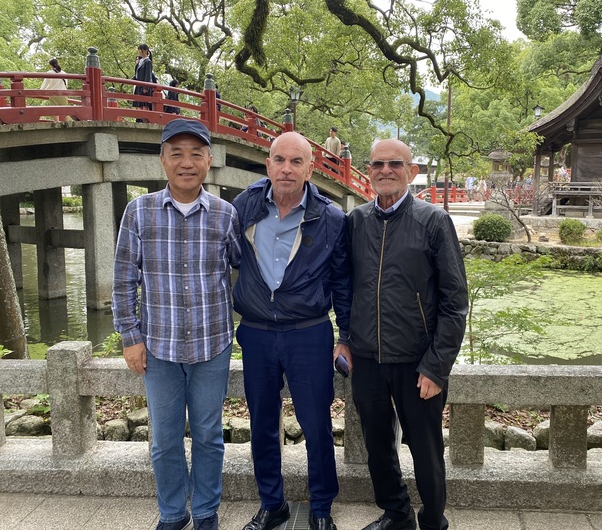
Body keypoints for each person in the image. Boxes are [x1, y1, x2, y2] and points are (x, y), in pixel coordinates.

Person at [112, 119, 241, 530]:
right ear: (163, 160)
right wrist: (130, 337)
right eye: (177, 154)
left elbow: (241, 270)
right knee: (165, 438)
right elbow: (123, 280)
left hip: (212, 343)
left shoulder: (225, 214)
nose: (187, 163)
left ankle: (205, 511)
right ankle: (172, 512)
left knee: (208, 435)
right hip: (159, 346)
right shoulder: (139, 211)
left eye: (196, 154)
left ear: (209, 160)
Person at [346, 138, 468, 530]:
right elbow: (346, 288)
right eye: (377, 164)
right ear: (368, 170)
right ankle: (397, 514)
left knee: (426, 449)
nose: (385, 170)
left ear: (411, 172)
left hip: (418, 361)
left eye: (395, 164)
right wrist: (345, 337)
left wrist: (436, 366)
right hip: (367, 358)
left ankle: (433, 520)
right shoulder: (356, 221)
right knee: (378, 446)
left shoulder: (433, 221)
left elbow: (455, 301)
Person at [231, 131, 351, 530]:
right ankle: (272, 503)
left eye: (296, 161)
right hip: (257, 332)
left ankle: (321, 508)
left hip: (308, 331)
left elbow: (342, 283)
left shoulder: (331, 218)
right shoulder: (244, 206)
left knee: (316, 424)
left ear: (310, 169)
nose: (286, 169)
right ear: (268, 165)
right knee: (262, 423)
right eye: (279, 160)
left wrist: (345, 337)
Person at [133, 44, 155, 114]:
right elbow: (136, 74)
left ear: (145, 50)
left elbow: (148, 75)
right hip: (138, 85)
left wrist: (146, 87)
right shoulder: (140, 61)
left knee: (144, 106)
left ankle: (145, 119)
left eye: (140, 50)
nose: (139, 52)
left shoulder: (148, 62)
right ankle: (140, 119)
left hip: (144, 86)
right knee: (139, 106)